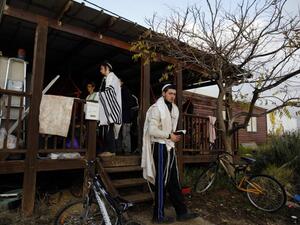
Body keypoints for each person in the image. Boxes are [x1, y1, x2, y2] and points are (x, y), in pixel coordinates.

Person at [141, 84, 199, 224]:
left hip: (169, 146)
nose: (172, 96)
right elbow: (152, 131)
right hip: (160, 147)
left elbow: (170, 129)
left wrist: (174, 135)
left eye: (174, 94)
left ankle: (181, 212)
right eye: (170, 93)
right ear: (163, 93)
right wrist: (169, 136)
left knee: (173, 180)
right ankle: (158, 216)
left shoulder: (174, 109)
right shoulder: (156, 108)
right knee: (161, 181)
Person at [97, 61, 122, 156]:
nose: (100, 71)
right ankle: (108, 149)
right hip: (112, 106)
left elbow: (110, 92)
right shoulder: (111, 77)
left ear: (107, 68)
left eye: (101, 69)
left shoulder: (111, 77)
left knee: (109, 129)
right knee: (109, 128)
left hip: (112, 107)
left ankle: (111, 150)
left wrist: (98, 95)